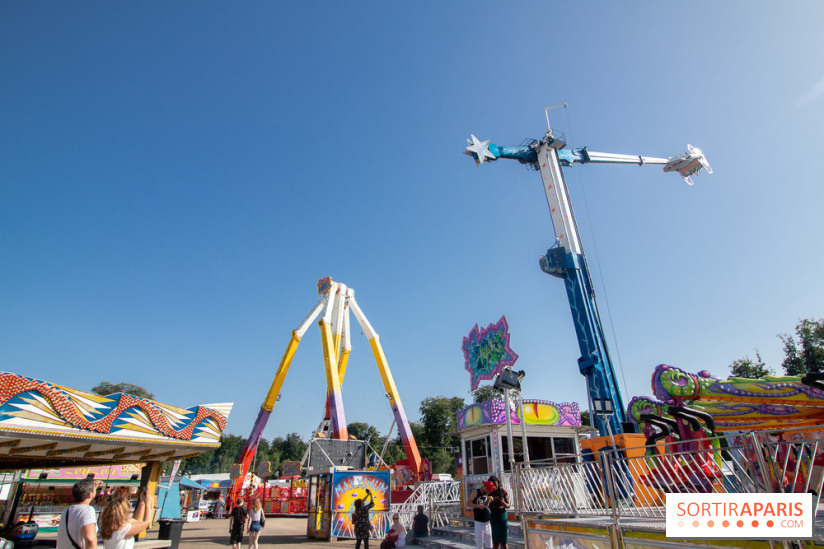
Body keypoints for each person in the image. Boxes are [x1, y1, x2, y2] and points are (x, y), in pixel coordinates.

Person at [57, 478, 100, 549]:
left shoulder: (67, 509)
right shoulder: (87, 510)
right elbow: (90, 539)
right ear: (90, 494)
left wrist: (93, 486)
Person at [467, 481, 494, 549]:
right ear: (485, 488)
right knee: (480, 545)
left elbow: (486, 506)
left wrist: (489, 500)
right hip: (479, 522)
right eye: (489, 491)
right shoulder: (476, 492)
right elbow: (468, 503)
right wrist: (478, 506)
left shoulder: (486, 494)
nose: (489, 493)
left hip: (487, 521)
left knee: (489, 545)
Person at [487, 476, 510, 549]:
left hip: (502, 517)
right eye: (493, 485)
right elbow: (485, 506)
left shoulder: (502, 491)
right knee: (495, 542)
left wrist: (505, 505)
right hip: (492, 517)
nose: (495, 487)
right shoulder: (488, 492)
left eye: (496, 485)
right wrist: (488, 501)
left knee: (504, 542)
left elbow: (508, 504)